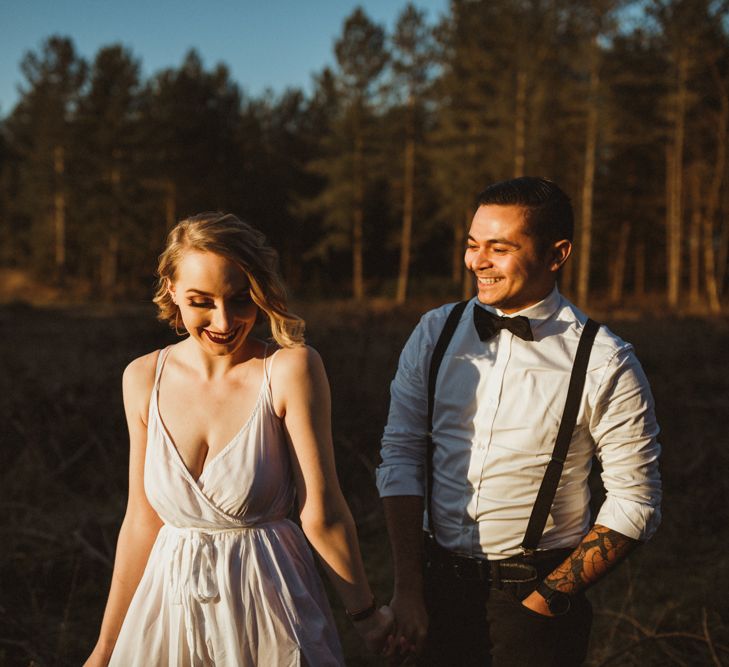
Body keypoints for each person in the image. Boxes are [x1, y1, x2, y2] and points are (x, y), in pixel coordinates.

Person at [85, 212, 393, 666]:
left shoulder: (291, 370)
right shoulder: (142, 377)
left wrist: (366, 616)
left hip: (267, 608)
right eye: (201, 301)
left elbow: (322, 513)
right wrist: (106, 647)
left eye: (240, 299)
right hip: (167, 610)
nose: (223, 320)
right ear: (171, 289)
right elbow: (140, 521)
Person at [376, 177, 662, 666]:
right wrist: (408, 589)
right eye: (472, 245)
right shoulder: (434, 332)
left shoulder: (604, 360)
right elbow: (400, 454)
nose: (477, 262)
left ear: (557, 254)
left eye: (499, 248)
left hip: (535, 602)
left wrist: (548, 597)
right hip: (432, 588)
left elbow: (636, 501)